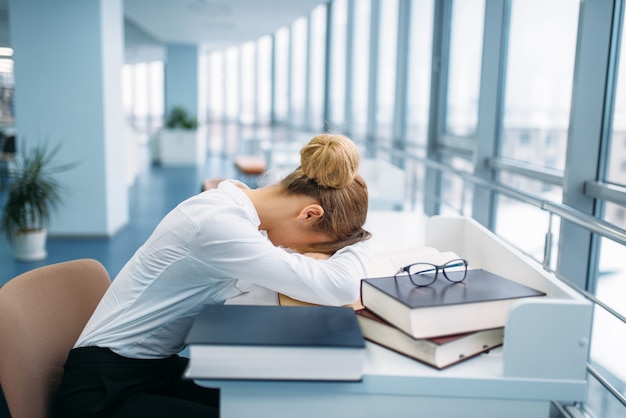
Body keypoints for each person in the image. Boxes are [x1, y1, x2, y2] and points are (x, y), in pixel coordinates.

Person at [54, 133, 372, 418]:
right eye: (315, 246)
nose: (298, 250)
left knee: (265, 404)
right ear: (309, 214)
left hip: (150, 369)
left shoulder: (238, 203)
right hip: (101, 391)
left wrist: (332, 246)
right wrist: (362, 239)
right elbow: (340, 286)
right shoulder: (219, 225)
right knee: (255, 409)